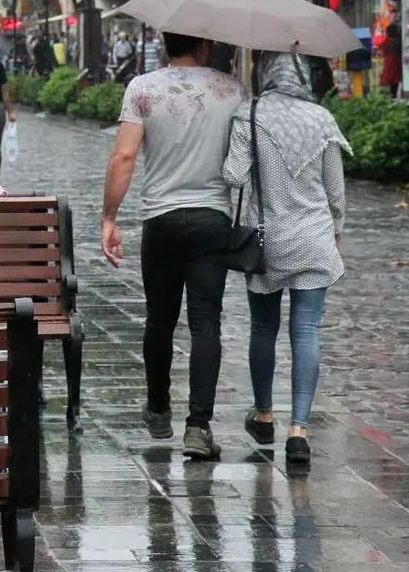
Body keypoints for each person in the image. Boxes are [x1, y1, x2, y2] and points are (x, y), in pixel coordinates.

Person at [100, 32, 247, 460]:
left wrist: (110, 217)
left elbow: (123, 157)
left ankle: (159, 406)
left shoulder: (142, 88)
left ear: (165, 45)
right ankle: (198, 426)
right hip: (211, 218)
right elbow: (242, 162)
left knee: (160, 318)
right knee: (206, 323)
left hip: (160, 220)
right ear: (205, 44)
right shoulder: (231, 90)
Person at [223, 52, 349, 466]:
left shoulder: (250, 113)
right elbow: (336, 191)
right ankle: (299, 430)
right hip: (314, 238)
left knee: (263, 328)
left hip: (269, 240)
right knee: (307, 331)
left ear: (266, 74)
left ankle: (263, 416)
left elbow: (234, 176)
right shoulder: (321, 118)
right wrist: (337, 231)